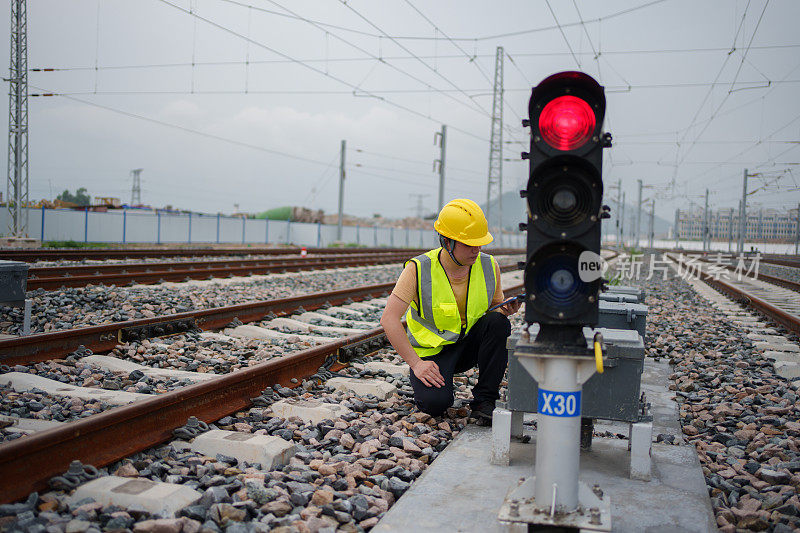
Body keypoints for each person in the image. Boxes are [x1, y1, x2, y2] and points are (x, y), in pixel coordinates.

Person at [380, 198, 520, 423]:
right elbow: (388, 319)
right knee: (434, 406)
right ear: (446, 242)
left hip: (468, 347)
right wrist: (416, 364)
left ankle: (485, 400)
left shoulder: (488, 265)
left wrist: (506, 311)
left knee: (499, 323)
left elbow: (494, 314)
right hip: (433, 353)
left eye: (479, 243)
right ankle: (436, 382)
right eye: (468, 244)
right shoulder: (419, 269)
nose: (476, 250)